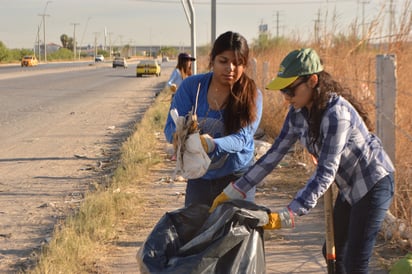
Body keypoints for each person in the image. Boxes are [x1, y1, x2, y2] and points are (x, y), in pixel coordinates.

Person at [210, 48, 395, 274]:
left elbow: (326, 173)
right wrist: (235, 190)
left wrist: (290, 213)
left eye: (290, 89)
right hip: (349, 187)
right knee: (333, 251)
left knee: (356, 262)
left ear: (313, 81)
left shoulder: (336, 114)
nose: (287, 97)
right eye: (283, 91)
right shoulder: (297, 113)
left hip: (373, 184)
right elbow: (274, 155)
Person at [164, 31, 263, 207]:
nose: (230, 68)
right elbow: (171, 126)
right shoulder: (192, 87)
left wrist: (210, 144)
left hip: (237, 178)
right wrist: (178, 138)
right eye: (223, 61)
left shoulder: (252, 95)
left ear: (245, 65)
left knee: (235, 232)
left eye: (237, 63)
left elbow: (241, 139)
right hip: (200, 175)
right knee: (196, 230)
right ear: (212, 60)